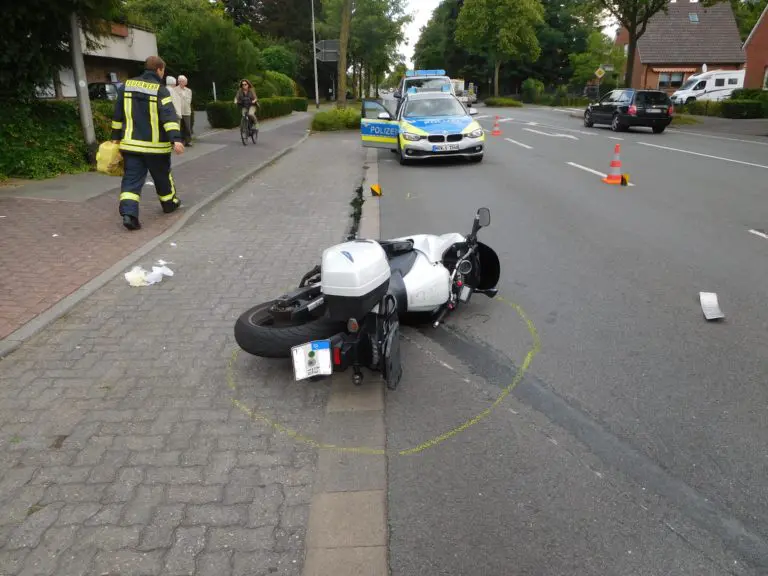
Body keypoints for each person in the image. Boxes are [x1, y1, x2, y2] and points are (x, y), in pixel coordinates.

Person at [111, 55, 184, 231]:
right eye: (163, 71)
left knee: (131, 181)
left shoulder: (126, 86)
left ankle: (130, 215)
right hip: (156, 148)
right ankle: (169, 204)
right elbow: (168, 116)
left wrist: (115, 138)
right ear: (159, 69)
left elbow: (117, 116)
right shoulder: (160, 90)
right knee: (162, 177)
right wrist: (176, 139)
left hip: (131, 146)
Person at [177, 75, 193, 146]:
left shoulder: (189, 90)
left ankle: (188, 141)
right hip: (178, 111)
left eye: (184, 81)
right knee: (179, 128)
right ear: (179, 82)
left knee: (187, 127)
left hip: (186, 111)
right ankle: (180, 141)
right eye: (181, 81)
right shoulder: (175, 90)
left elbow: (189, 100)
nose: (183, 82)